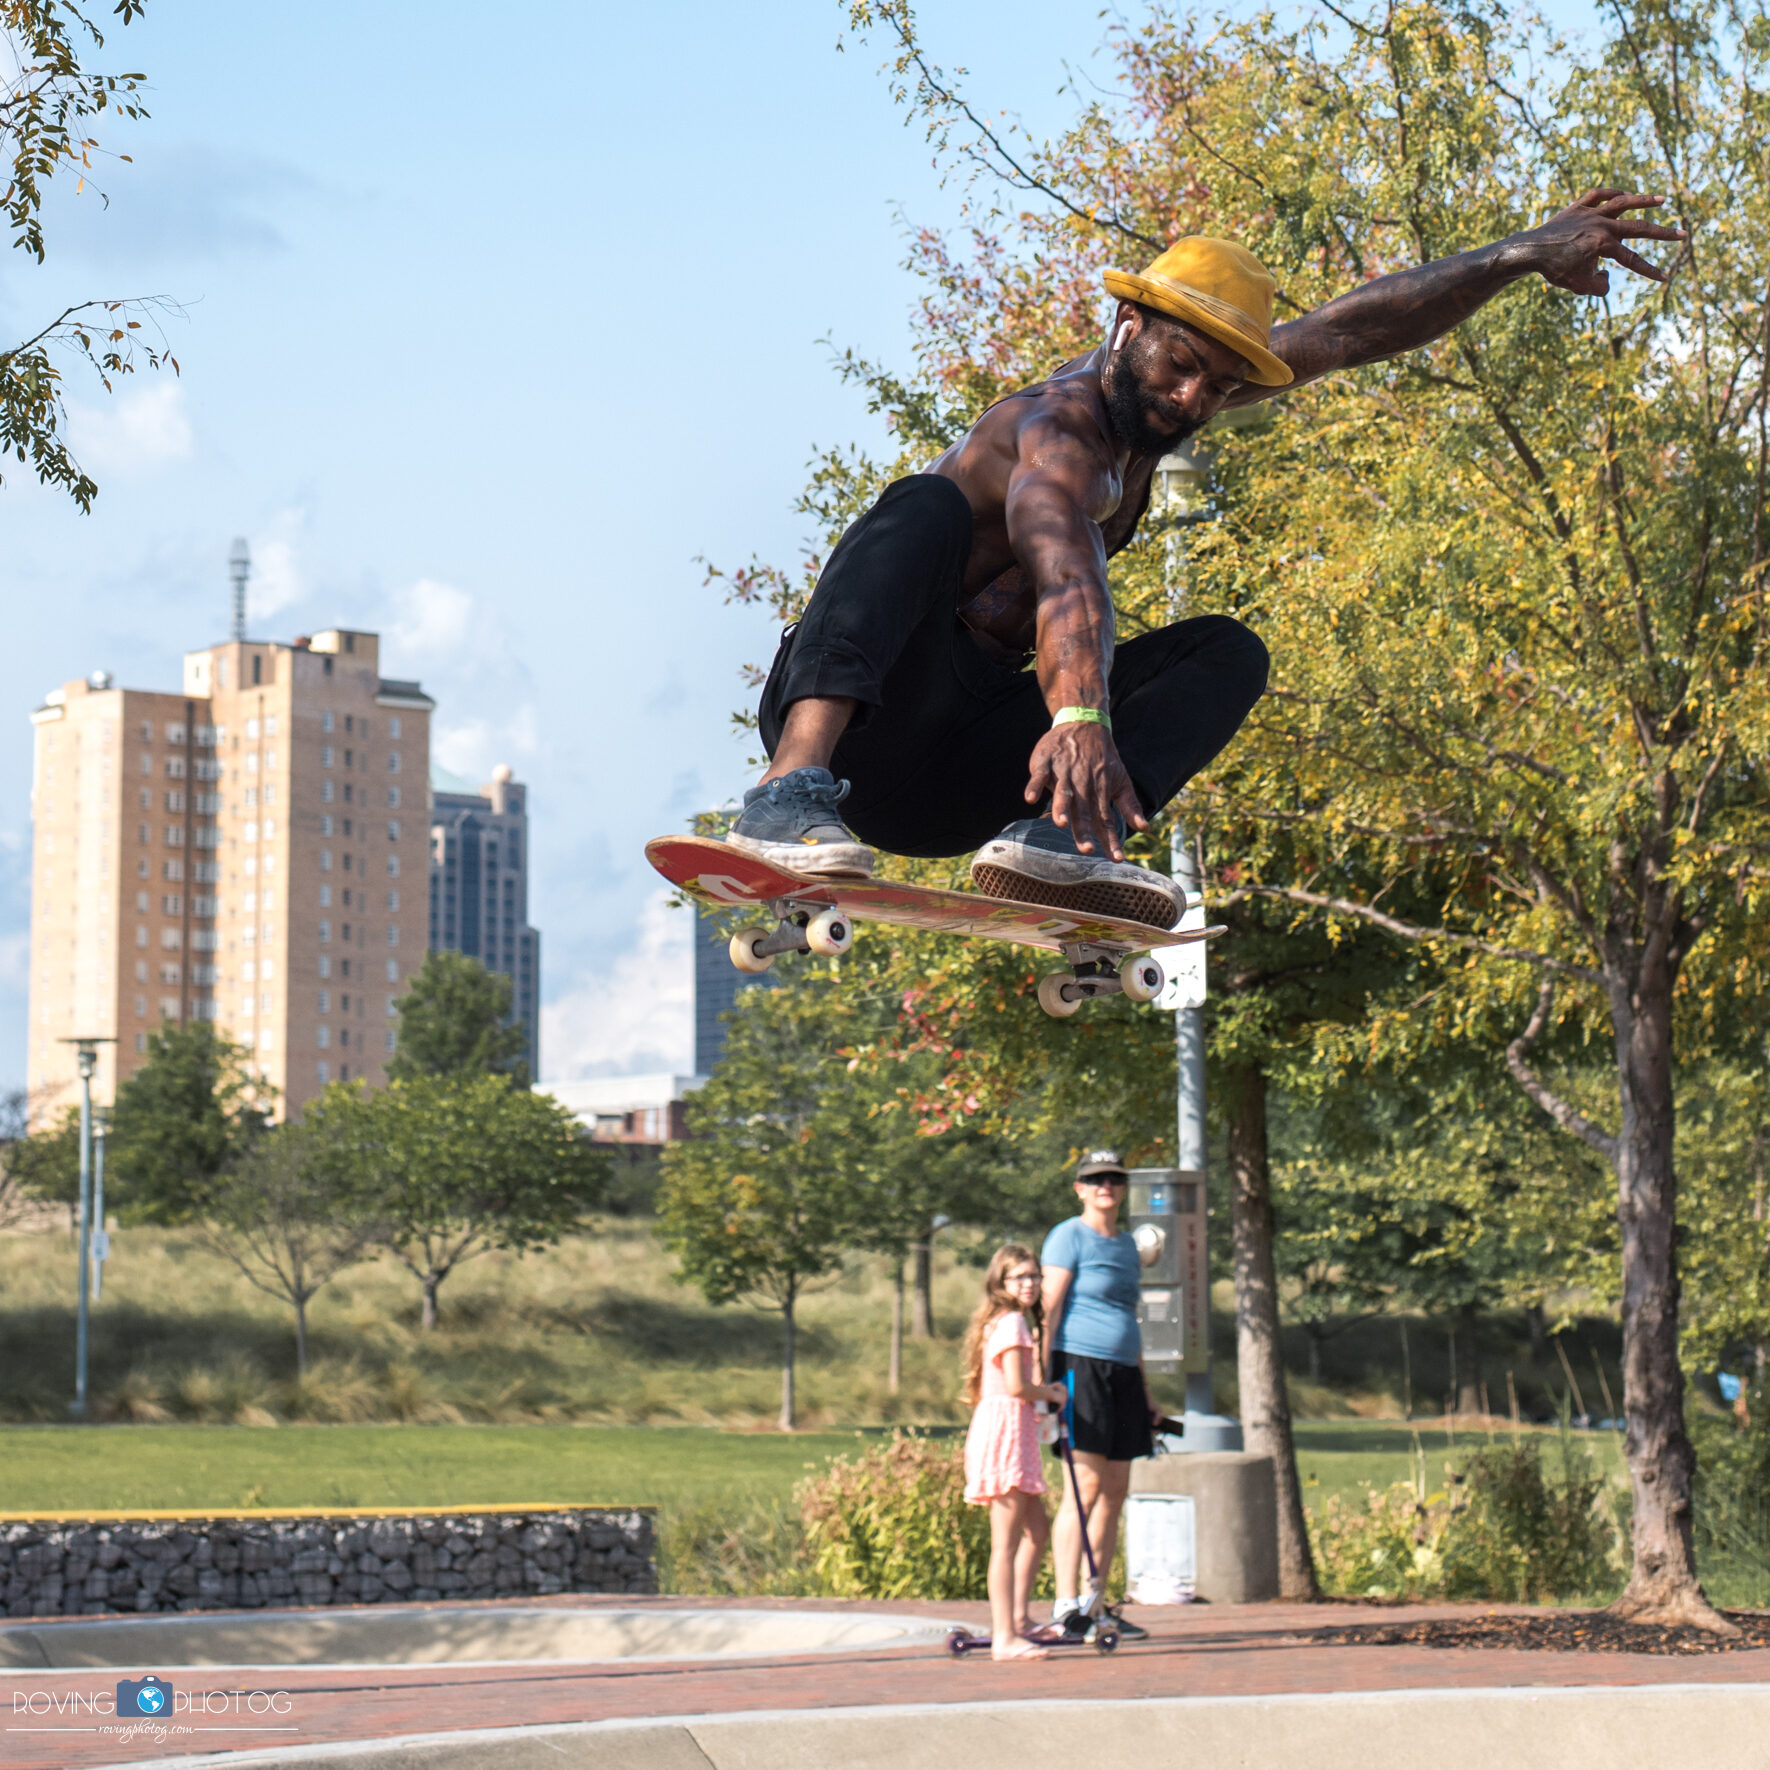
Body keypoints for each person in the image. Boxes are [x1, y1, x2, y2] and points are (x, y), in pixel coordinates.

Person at [728, 192, 1685, 928]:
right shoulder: (1051, 433)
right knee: (922, 507)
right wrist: (1080, 712)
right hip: (863, 727)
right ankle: (785, 791)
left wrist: (1520, 254)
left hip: (952, 779)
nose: (1193, 401)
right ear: (1128, 328)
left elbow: (1353, 331)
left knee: (1227, 650)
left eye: (1221, 385)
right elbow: (1065, 571)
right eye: (1180, 368)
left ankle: (1061, 844)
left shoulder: (1184, 398)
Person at [1040, 1150, 1159, 1640]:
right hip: (1078, 1367)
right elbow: (1049, 1310)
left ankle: (1096, 1604)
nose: (1105, 1186)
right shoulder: (1069, 1236)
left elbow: (1130, 1321)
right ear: (1080, 1188)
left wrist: (1146, 1390)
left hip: (1123, 1372)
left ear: (1123, 1187)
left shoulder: (1129, 1246)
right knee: (1083, 1488)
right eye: (1095, 1179)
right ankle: (1065, 1604)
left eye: (1113, 1179)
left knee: (1114, 1491)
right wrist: (1041, 1382)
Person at [961, 1242, 1071, 1660]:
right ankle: (1004, 1636)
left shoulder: (1005, 1323)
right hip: (1007, 1432)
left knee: (1037, 1532)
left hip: (1013, 1429)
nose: (1030, 1283)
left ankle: (1019, 1619)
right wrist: (1053, 1393)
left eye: (1035, 1276)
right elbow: (1017, 1387)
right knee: (1004, 1543)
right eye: (1020, 1277)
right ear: (1002, 1283)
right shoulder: (1012, 1325)